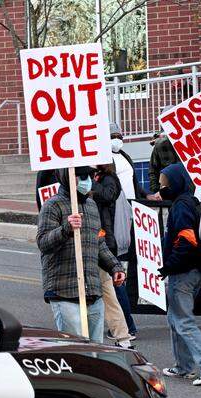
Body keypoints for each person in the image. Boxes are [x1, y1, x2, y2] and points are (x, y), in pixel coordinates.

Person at [37, 167, 126, 342]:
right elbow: (43, 243)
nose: (87, 180)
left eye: (90, 176)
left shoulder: (91, 205)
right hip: (64, 291)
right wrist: (66, 229)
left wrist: (115, 266)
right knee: (76, 348)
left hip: (92, 291)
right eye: (81, 176)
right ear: (68, 177)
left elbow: (98, 242)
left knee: (95, 351)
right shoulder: (53, 205)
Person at [158, 163, 201, 385]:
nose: (161, 188)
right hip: (197, 270)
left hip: (183, 272)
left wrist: (169, 265)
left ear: (176, 182)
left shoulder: (181, 206)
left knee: (182, 320)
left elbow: (186, 240)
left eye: (164, 183)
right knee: (174, 318)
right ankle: (183, 366)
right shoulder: (195, 203)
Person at [91, 162, 134, 348]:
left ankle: (126, 330)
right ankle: (123, 333)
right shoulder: (96, 179)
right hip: (99, 241)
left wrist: (90, 184)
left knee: (112, 288)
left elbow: (108, 195)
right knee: (109, 289)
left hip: (105, 241)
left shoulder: (109, 179)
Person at [110, 124, 144, 338]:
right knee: (114, 269)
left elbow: (134, 183)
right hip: (116, 215)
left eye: (119, 136)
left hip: (131, 212)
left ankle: (125, 321)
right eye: (112, 136)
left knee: (127, 263)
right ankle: (123, 323)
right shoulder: (104, 162)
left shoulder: (123, 155)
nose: (117, 140)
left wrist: (145, 196)